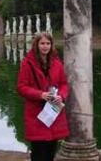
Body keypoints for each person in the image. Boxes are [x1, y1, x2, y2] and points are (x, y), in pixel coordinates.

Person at [17, 32, 69, 161]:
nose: (45, 46)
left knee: (51, 151)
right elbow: (21, 87)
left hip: (53, 112)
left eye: (48, 43)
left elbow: (64, 84)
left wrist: (61, 96)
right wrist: (41, 95)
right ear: (36, 45)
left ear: (51, 45)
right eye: (42, 43)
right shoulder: (27, 63)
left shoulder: (57, 63)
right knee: (38, 152)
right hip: (36, 113)